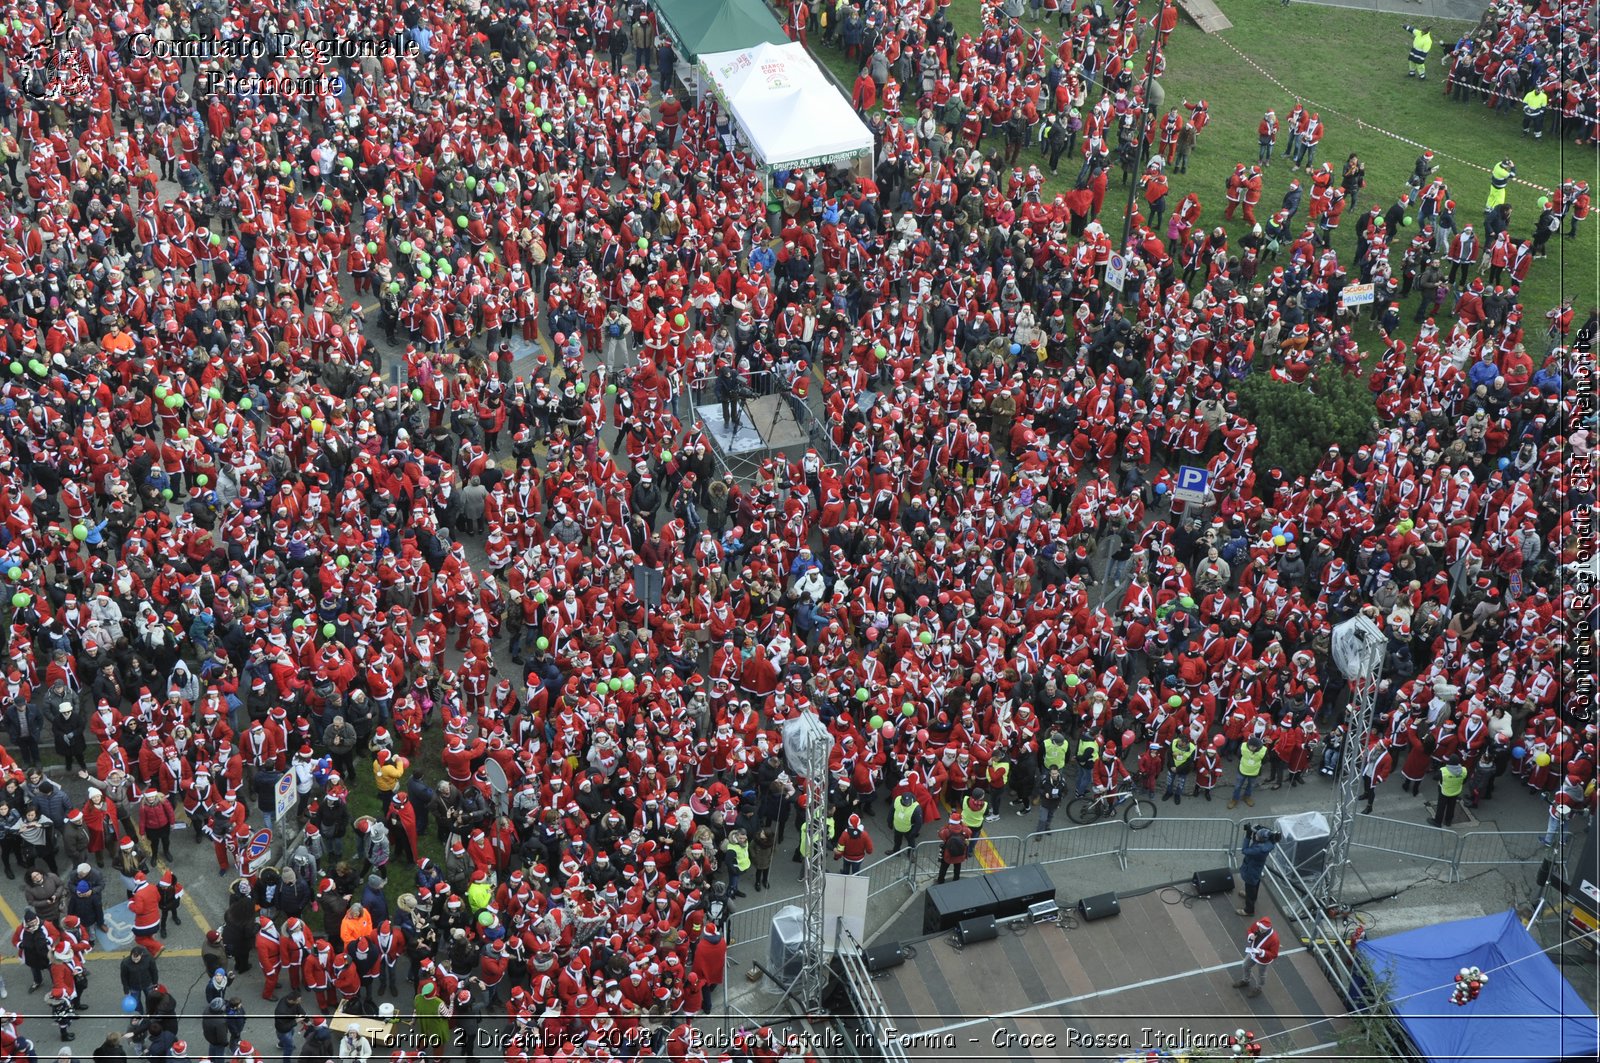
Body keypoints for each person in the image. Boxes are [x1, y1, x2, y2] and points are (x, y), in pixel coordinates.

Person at [1231, 916, 1280, 997]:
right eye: (1260, 928)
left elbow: (1274, 954)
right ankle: (1246, 980)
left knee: (1261, 975)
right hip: (1252, 953)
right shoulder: (1258, 925)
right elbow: (1250, 929)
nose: (1260, 930)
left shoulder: (1274, 939)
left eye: (1263, 929)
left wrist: (1262, 952)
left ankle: (1258, 988)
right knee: (1245, 966)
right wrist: (1251, 936)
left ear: (1267, 929)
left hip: (1263, 959)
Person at [1236, 826, 1278, 917]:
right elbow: (1260, 840)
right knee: (1256, 883)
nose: (1255, 836)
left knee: (1250, 887)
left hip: (1250, 870)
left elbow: (1244, 850)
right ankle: (1253, 897)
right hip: (1257, 869)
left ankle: (1249, 910)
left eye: (1257, 835)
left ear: (1260, 839)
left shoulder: (1258, 850)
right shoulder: (1268, 844)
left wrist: (1248, 836)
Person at [1229, 736, 1268, 809]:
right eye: (1250, 746)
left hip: (1254, 772)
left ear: (1258, 747)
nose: (1251, 748)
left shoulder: (1264, 751)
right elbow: (1239, 755)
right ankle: (1234, 799)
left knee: (1250, 786)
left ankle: (1246, 797)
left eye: (1254, 747)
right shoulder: (1243, 746)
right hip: (1242, 770)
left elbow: (1265, 761)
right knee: (1237, 786)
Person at [1433, 753, 1468, 827]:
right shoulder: (1464, 770)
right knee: (1451, 806)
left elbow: (1435, 777)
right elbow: (1464, 781)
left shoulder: (1443, 771)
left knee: (1441, 807)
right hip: (1456, 791)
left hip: (1444, 791)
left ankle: (1437, 822)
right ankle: (1448, 821)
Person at [936, 814, 972, 884]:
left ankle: (940, 881)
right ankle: (956, 880)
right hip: (960, 854)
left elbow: (940, 834)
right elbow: (969, 833)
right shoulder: (964, 829)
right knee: (957, 867)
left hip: (948, 854)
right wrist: (963, 825)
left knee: (943, 868)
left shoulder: (946, 831)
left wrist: (946, 826)